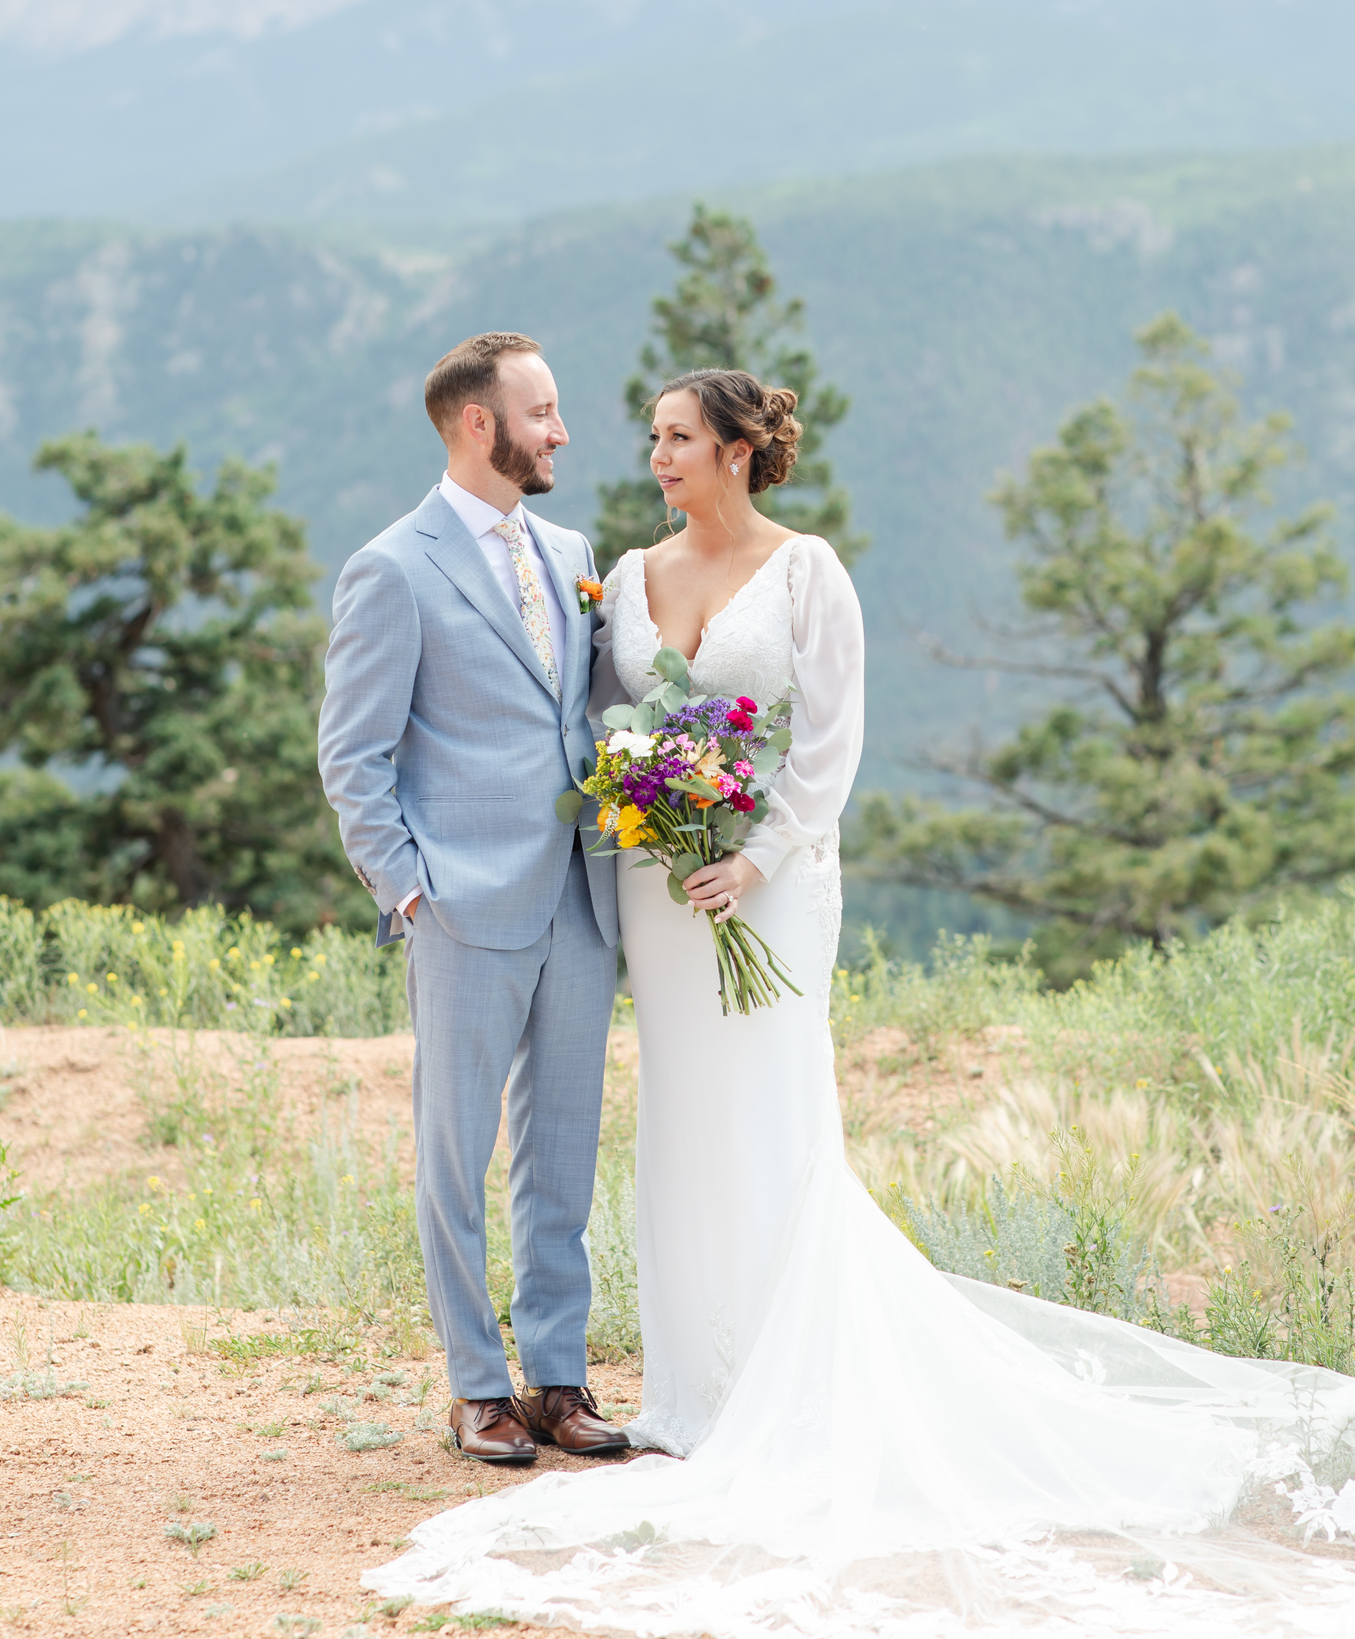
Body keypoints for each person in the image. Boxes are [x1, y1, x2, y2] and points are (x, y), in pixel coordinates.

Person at [363, 368, 1355, 1636]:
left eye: (673, 437)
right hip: (655, 896)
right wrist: (638, 812)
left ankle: (777, 1381)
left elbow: (828, 742)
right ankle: (684, 1388)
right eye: (646, 434)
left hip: (762, 885)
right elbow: (601, 719)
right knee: (674, 1119)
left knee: (766, 1110)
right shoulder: (613, 564)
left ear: (732, 449)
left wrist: (756, 848)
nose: (647, 452)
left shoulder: (805, 571)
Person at [319, 331, 626, 1466]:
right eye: (542, 412)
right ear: (477, 425)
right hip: (460, 907)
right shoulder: (392, 566)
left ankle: (555, 1375)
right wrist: (410, 891)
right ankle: (475, 1385)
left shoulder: (571, 545)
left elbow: (579, 709)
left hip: (580, 901)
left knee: (564, 1152)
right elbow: (352, 755)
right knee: (454, 1154)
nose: (560, 431)